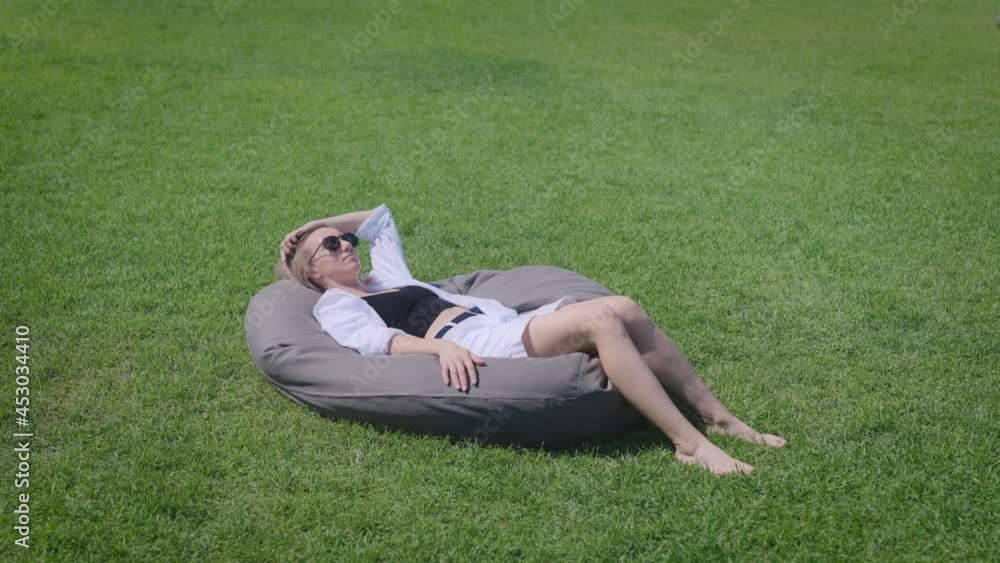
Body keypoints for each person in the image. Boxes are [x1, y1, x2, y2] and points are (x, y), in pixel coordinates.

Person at [278, 203, 786, 476]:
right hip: (479, 340)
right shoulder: (337, 305)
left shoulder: (385, 277)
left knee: (624, 307)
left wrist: (312, 224)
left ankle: (718, 417)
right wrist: (439, 347)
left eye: (344, 238)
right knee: (601, 321)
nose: (345, 243)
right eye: (331, 245)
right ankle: (689, 444)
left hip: (500, 319)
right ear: (314, 272)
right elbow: (380, 343)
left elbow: (381, 218)